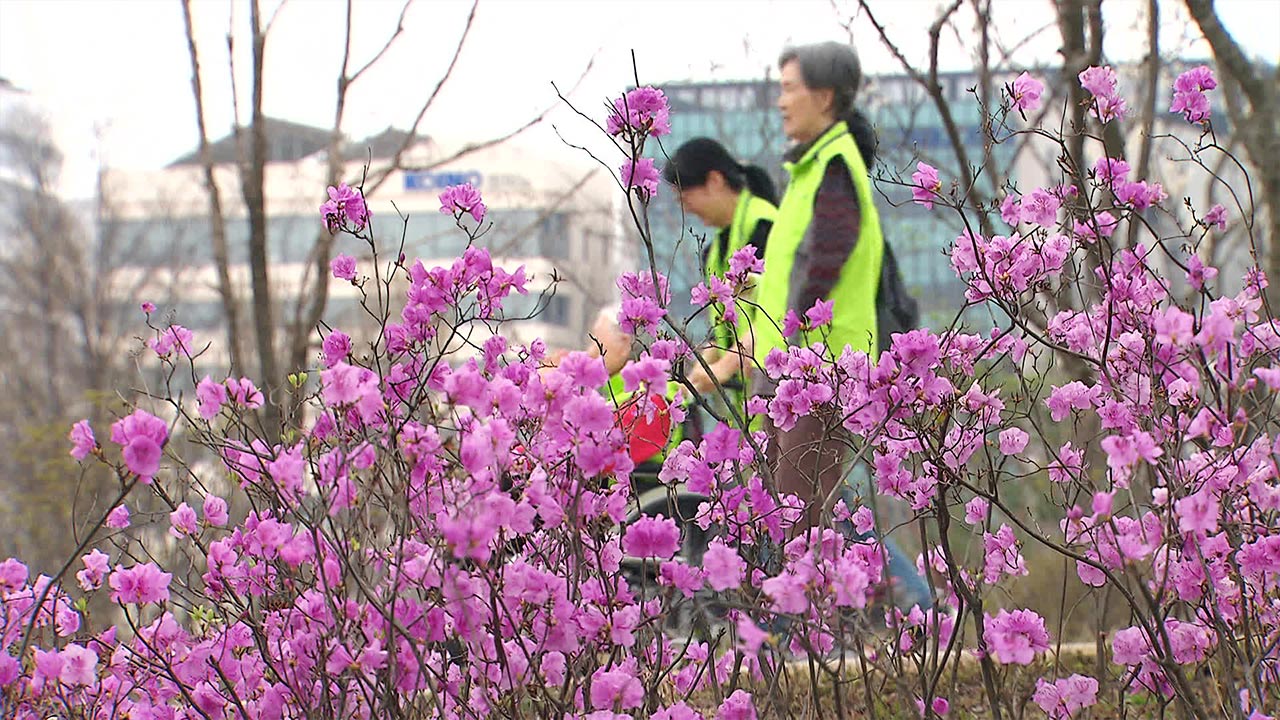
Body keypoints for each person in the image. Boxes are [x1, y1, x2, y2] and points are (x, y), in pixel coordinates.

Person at [755, 41, 930, 610]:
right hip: (793, 369)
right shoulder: (812, 166)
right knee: (784, 515)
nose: (780, 102)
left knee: (796, 518)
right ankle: (890, 616)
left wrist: (791, 333)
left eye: (788, 89)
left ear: (823, 96)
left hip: (822, 370)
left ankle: (814, 648)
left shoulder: (833, 166)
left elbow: (828, 254)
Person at [662, 138, 778, 412]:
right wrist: (697, 374)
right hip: (748, 403)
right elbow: (724, 331)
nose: (686, 208)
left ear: (715, 181)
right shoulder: (714, 252)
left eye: (685, 197)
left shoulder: (769, 229)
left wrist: (725, 367)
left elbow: (777, 312)